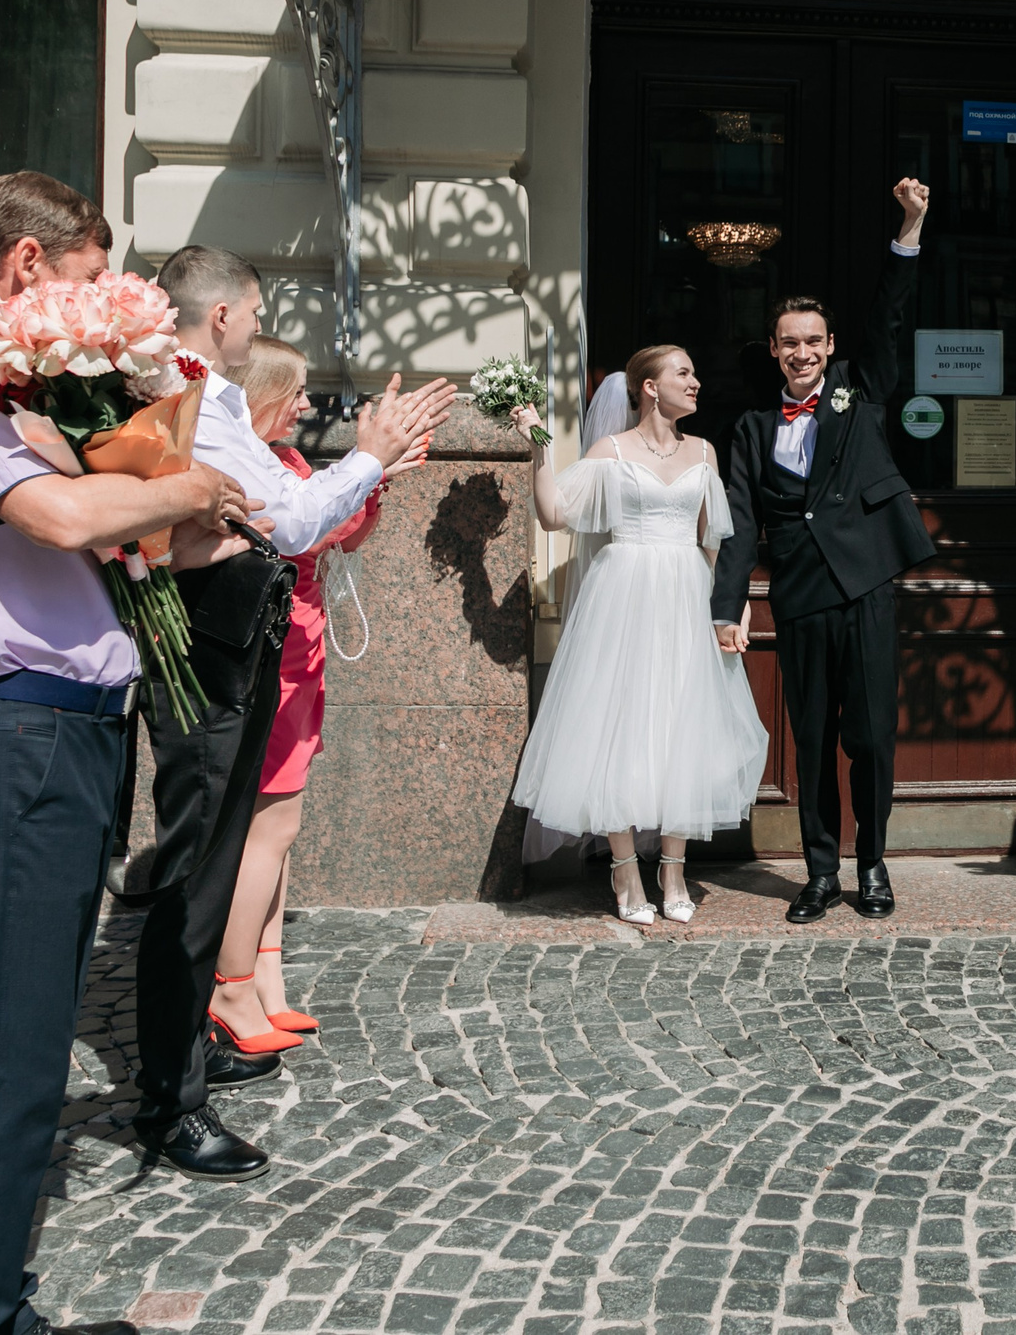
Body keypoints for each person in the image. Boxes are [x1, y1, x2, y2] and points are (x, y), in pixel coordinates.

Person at [0, 171, 256, 1335]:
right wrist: (186, 479)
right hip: (9, 724)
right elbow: (64, 523)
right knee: (17, 1048)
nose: (91, 305)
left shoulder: (9, 390)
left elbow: (99, 553)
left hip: (64, 723)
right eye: (83, 281)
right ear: (28, 267)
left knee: (26, 1031)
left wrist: (178, 515)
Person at [133, 244, 453, 1181]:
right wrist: (370, 454)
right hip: (208, 646)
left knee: (223, 853)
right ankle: (170, 1101)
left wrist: (368, 462)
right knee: (195, 874)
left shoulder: (221, 403)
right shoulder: (180, 399)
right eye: (257, 307)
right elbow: (290, 523)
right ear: (225, 315)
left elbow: (287, 511)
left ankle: (193, 1046)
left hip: (246, 641)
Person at [711, 179, 938, 923]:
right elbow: (741, 521)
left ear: (830, 346)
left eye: (813, 340)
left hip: (868, 585)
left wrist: (908, 227)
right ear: (773, 351)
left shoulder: (860, 389)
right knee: (810, 741)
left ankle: (872, 862)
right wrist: (729, 601)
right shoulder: (749, 428)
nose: (802, 352)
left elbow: (890, 318)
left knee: (870, 737)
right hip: (803, 594)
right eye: (789, 343)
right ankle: (819, 872)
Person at [510, 345, 770, 923]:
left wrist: (733, 609)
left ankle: (674, 868)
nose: (697, 381)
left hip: (686, 596)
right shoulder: (612, 451)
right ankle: (624, 870)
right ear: (650, 387)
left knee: (686, 724)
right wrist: (537, 443)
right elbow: (554, 513)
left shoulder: (703, 451)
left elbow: (716, 543)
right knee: (619, 724)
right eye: (685, 372)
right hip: (624, 595)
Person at [206, 336, 416, 1050]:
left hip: (303, 643)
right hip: (275, 649)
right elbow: (303, 530)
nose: (305, 403)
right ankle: (231, 989)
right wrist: (367, 464)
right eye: (294, 390)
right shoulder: (249, 465)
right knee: (271, 823)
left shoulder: (287, 460)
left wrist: (375, 474)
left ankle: (266, 982)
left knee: (281, 829)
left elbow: (343, 533)